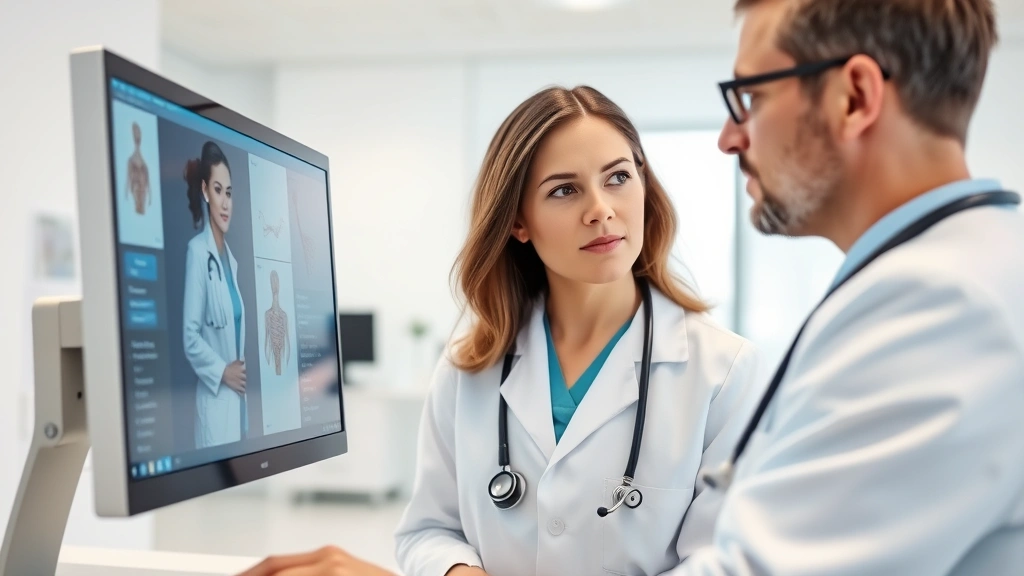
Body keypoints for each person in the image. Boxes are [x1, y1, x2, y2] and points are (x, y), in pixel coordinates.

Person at [237, 87, 766, 576]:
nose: (601, 210)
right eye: (564, 190)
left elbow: (720, 565)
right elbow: (429, 530)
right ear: (518, 222)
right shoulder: (470, 365)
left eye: (618, 177)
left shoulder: (723, 373)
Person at [670, 0, 1024, 574]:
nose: (730, 139)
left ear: (855, 96)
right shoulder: (963, 269)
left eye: (752, 98)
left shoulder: (945, 306)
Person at [183, 140, 249, 449]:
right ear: (206, 191)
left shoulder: (231, 262)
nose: (225, 202)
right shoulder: (198, 253)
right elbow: (190, 336)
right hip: (214, 405)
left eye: (230, 193)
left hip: (236, 408)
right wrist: (223, 372)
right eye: (219, 191)